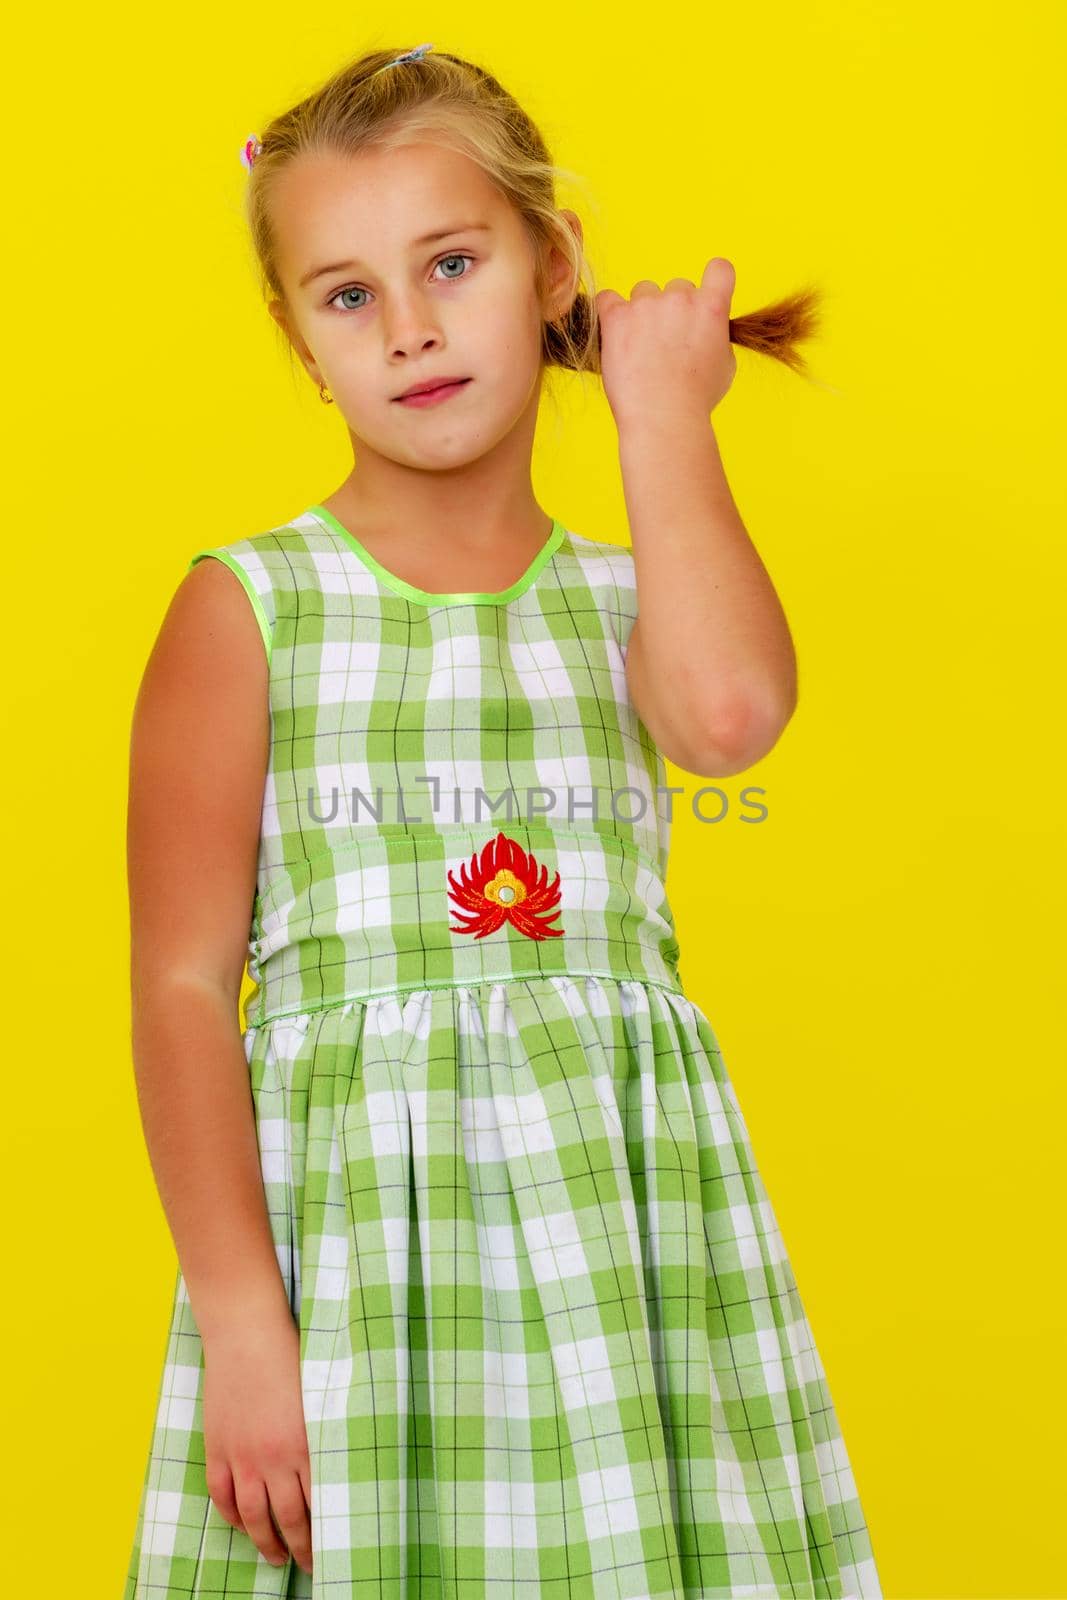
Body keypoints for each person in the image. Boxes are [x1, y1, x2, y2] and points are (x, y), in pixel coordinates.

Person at [123, 41, 882, 1600]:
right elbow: (181, 985)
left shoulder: (632, 601)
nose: (408, 331)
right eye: (348, 296)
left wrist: (664, 412)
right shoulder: (251, 608)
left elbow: (730, 718)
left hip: (624, 1259)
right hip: (356, 1276)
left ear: (552, 269)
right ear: (299, 339)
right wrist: (244, 1333)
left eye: (453, 264)